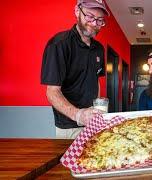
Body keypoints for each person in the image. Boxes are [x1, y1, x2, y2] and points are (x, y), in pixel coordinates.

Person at [41, 0, 109, 139]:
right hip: (69, 126)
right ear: (77, 11)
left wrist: (96, 108)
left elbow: (95, 80)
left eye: (100, 20)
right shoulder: (59, 44)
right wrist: (79, 115)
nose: (94, 23)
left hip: (93, 123)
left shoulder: (99, 49)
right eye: (90, 16)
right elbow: (52, 92)